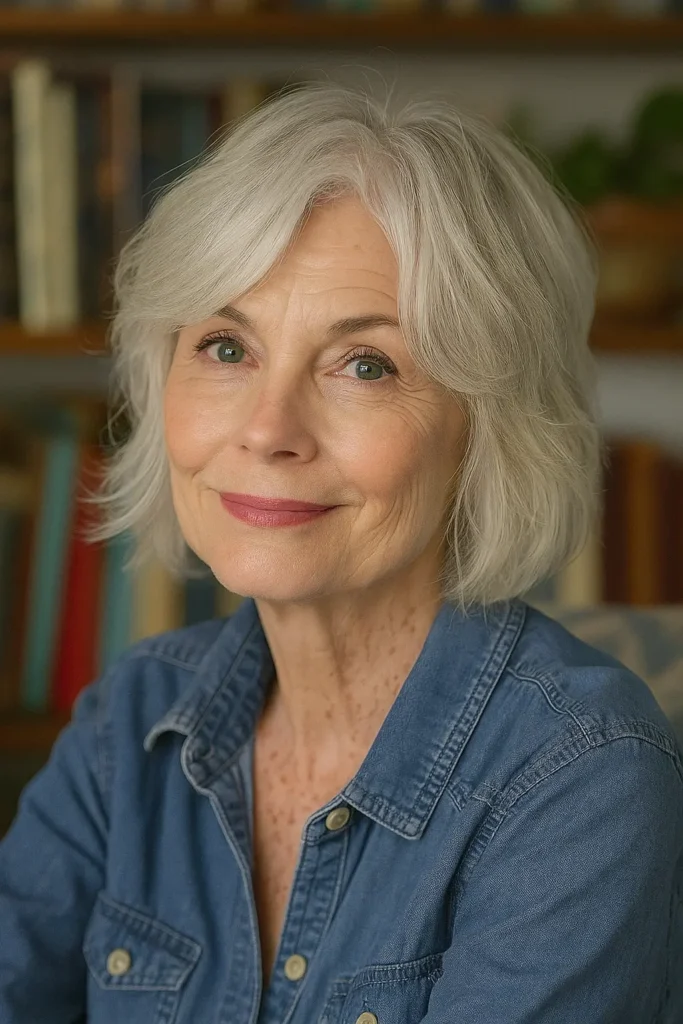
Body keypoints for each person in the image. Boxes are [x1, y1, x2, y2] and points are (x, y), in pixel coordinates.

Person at [1, 79, 681, 1024]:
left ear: (491, 429)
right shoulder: (133, 722)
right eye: (226, 347)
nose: (268, 429)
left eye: (366, 365)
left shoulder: (580, 779)